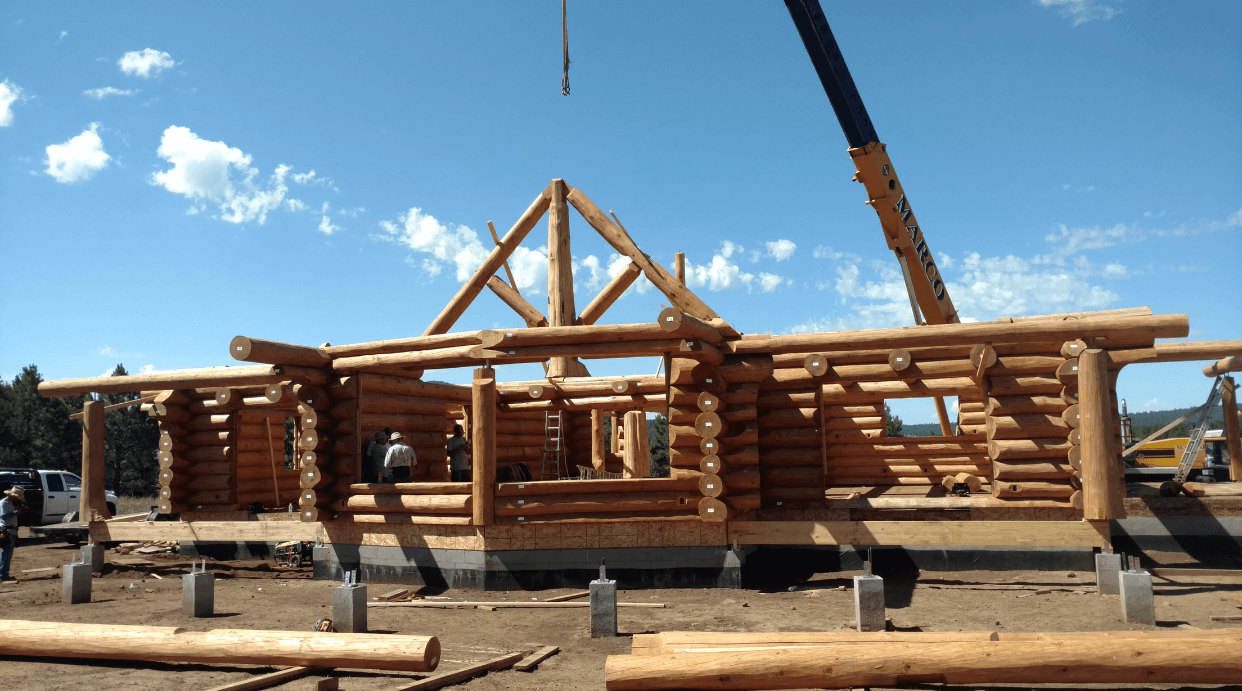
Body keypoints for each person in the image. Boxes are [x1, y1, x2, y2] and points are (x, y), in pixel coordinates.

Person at [1, 485, 26, 583]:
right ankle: (2, 575)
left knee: (8, 554)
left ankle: (4, 574)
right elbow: (3, 517)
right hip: (7, 531)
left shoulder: (9, 503)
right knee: (6, 554)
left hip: (11, 530)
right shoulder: (3, 503)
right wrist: (16, 512)